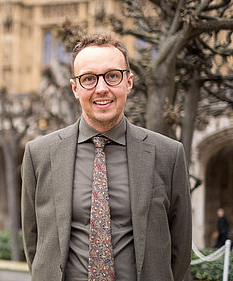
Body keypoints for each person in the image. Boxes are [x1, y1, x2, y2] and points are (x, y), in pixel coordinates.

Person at [21, 33, 192, 281]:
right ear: (75, 88)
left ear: (129, 82)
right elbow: (33, 243)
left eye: (112, 76)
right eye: (89, 79)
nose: (102, 89)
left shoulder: (168, 154)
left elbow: (180, 248)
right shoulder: (39, 154)